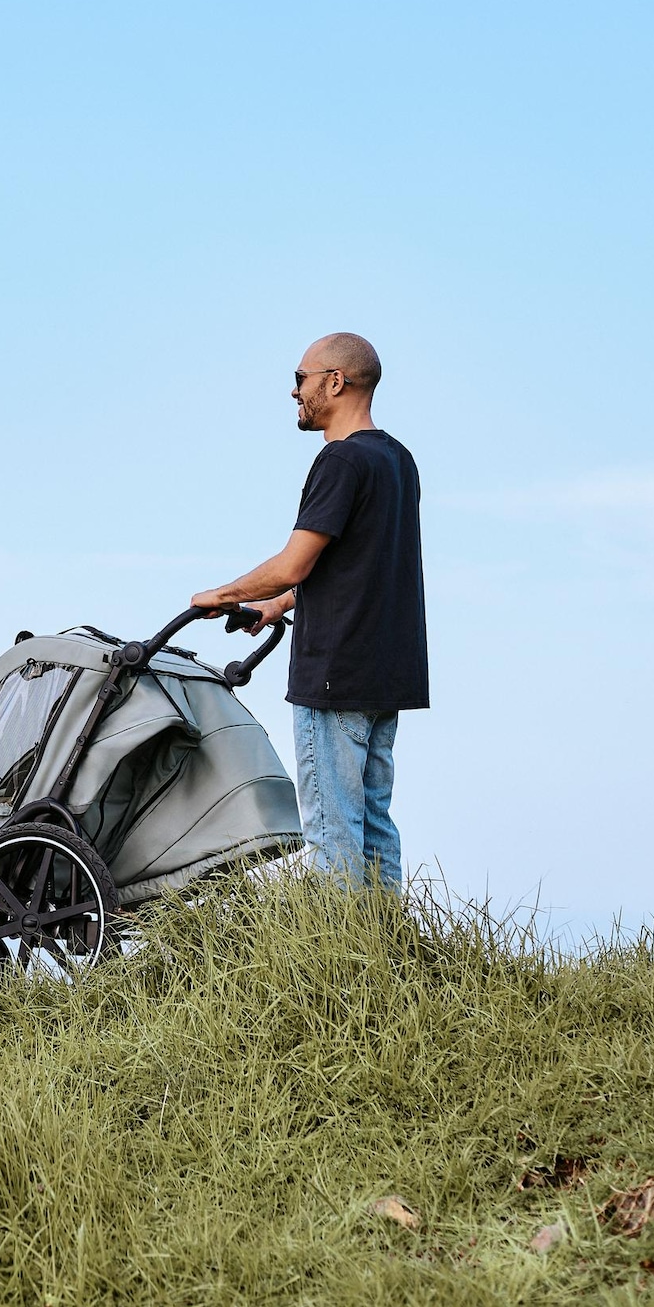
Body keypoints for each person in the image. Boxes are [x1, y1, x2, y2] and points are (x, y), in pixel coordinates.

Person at [191, 332, 429, 891]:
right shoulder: (398, 460)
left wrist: (222, 594)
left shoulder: (340, 460)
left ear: (334, 381)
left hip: (335, 673)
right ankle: (386, 947)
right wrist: (275, 605)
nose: (293, 391)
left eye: (299, 379)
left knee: (331, 828)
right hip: (386, 672)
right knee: (374, 822)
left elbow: (296, 562)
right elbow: (358, 565)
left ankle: (341, 965)